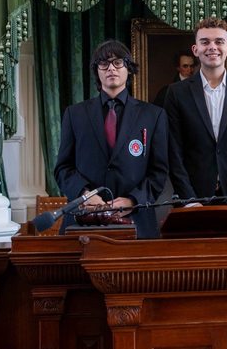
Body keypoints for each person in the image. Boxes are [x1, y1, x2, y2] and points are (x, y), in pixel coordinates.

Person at [53, 40, 168, 238]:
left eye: (118, 62)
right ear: (96, 71)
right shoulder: (75, 114)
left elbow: (159, 171)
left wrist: (133, 200)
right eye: (104, 64)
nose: (111, 69)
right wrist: (86, 196)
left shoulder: (153, 115)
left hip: (137, 218)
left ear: (128, 68)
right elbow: (63, 168)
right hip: (84, 219)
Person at [164, 17, 227, 203]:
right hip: (193, 199)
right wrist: (188, 199)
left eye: (219, 42)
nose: (212, 47)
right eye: (205, 42)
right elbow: (173, 151)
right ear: (195, 49)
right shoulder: (176, 93)